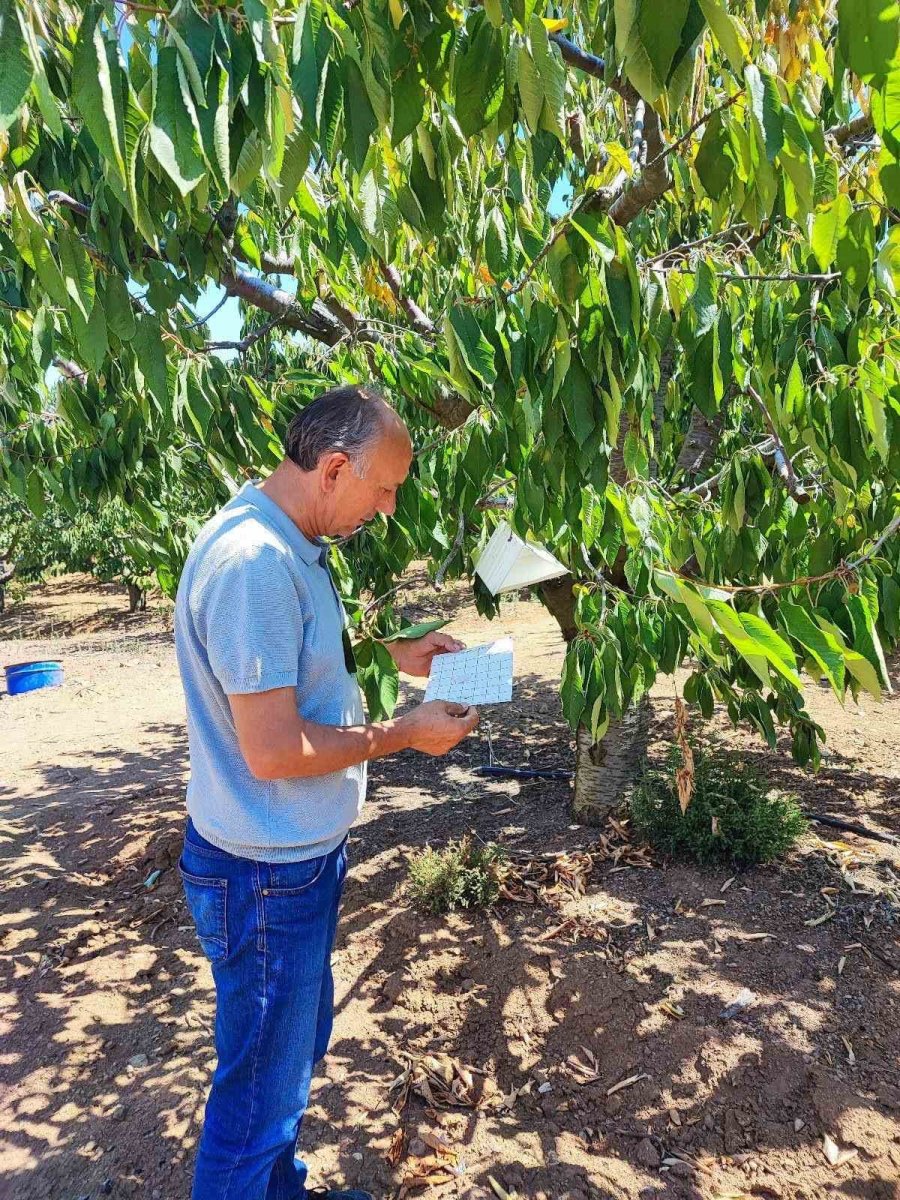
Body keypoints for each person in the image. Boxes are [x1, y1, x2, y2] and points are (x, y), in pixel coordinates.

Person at [174, 386, 479, 1200]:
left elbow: (288, 660)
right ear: (335, 468)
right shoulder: (256, 566)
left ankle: (280, 1190)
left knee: (287, 1061)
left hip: (285, 863)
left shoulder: (278, 537)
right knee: (258, 1102)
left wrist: (394, 654)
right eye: (382, 489)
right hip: (265, 875)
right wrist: (404, 733)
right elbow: (273, 750)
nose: (385, 509)